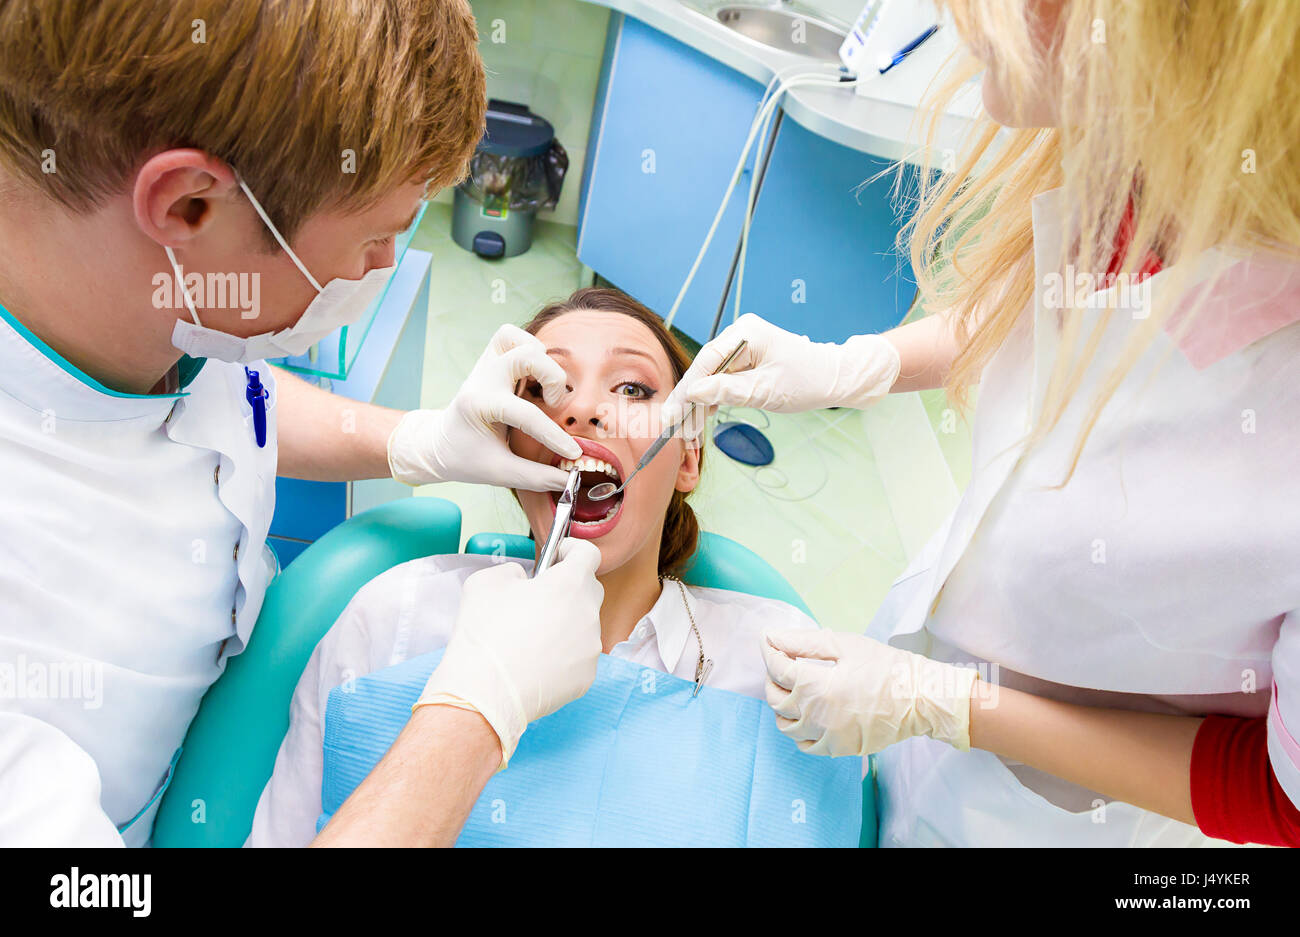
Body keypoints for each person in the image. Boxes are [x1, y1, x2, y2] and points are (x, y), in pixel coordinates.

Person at [665, 0, 1300, 846]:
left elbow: (1280, 794)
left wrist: (945, 705)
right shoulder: (1161, 169)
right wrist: (858, 363)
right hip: (938, 676)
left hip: (1059, 818)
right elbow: (1069, 321)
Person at [0, 0, 603, 847]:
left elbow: (222, 402)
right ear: (189, 206)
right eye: (375, 237)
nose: (385, 265)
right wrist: (474, 716)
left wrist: (412, 441)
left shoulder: (136, 300)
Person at [248, 289, 863, 848]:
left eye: (632, 388)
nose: (583, 410)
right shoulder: (394, 616)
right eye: (548, 387)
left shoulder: (776, 669)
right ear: (504, 443)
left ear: (687, 459)